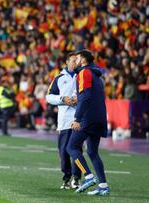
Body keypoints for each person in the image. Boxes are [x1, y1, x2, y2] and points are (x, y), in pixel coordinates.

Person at [66, 50, 109, 195]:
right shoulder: (97, 75)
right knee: (92, 152)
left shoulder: (84, 73)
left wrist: (77, 118)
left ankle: (88, 176)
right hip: (99, 117)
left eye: (77, 58)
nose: (75, 60)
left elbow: (86, 97)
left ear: (83, 60)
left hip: (87, 118)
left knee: (71, 147)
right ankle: (103, 186)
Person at [46, 52, 81, 189]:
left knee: (76, 149)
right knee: (64, 150)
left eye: (77, 61)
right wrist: (62, 99)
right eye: (73, 61)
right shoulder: (59, 78)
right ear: (67, 62)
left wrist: (79, 99)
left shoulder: (82, 76)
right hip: (64, 121)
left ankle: (76, 178)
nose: (75, 63)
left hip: (78, 119)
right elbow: (49, 97)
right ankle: (66, 177)